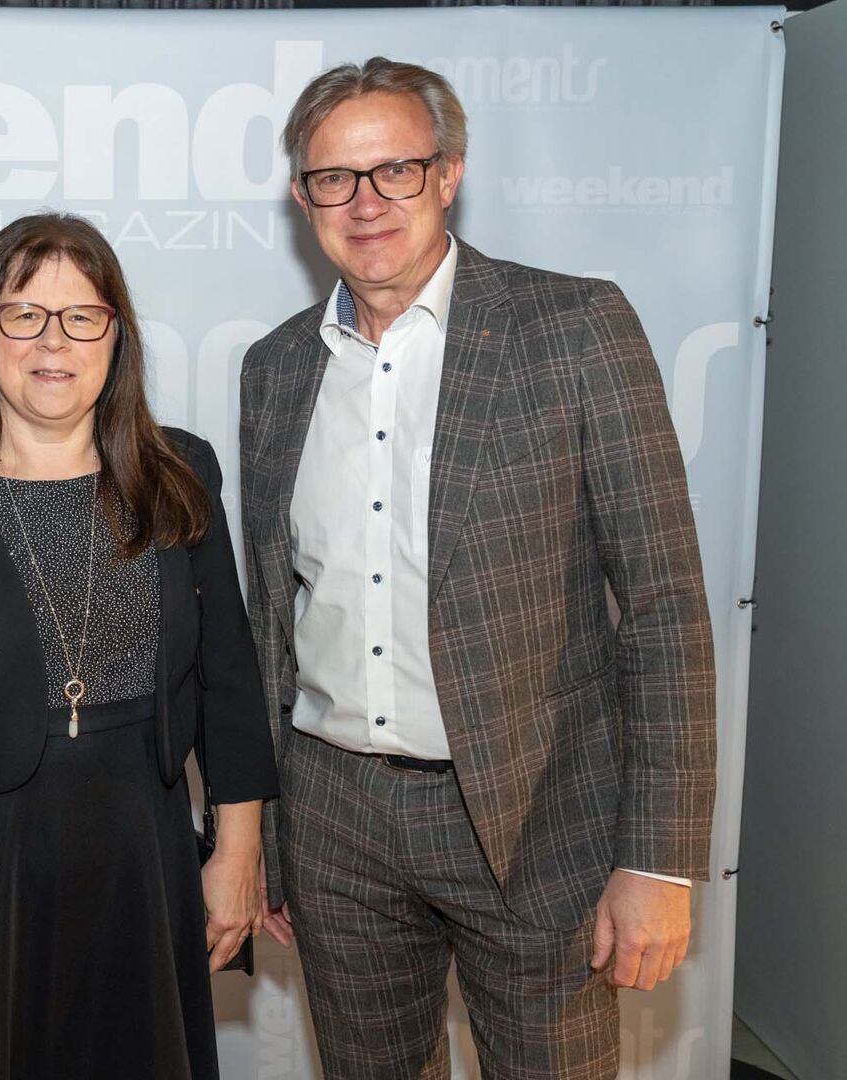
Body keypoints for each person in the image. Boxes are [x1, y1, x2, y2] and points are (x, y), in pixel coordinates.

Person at [240, 58, 717, 1078]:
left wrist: (659, 859)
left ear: (449, 174)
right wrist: (270, 838)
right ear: (302, 197)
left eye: (396, 170)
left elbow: (666, 606)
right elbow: (271, 622)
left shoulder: (574, 328)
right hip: (335, 822)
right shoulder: (275, 368)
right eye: (334, 177)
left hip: (540, 820)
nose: (366, 202)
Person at [0, 213, 278, 1079]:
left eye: (81, 316)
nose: (53, 341)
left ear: (117, 335)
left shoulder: (180, 474)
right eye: (25, 314)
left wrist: (236, 853)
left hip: (142, 858)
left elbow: (228, 678)